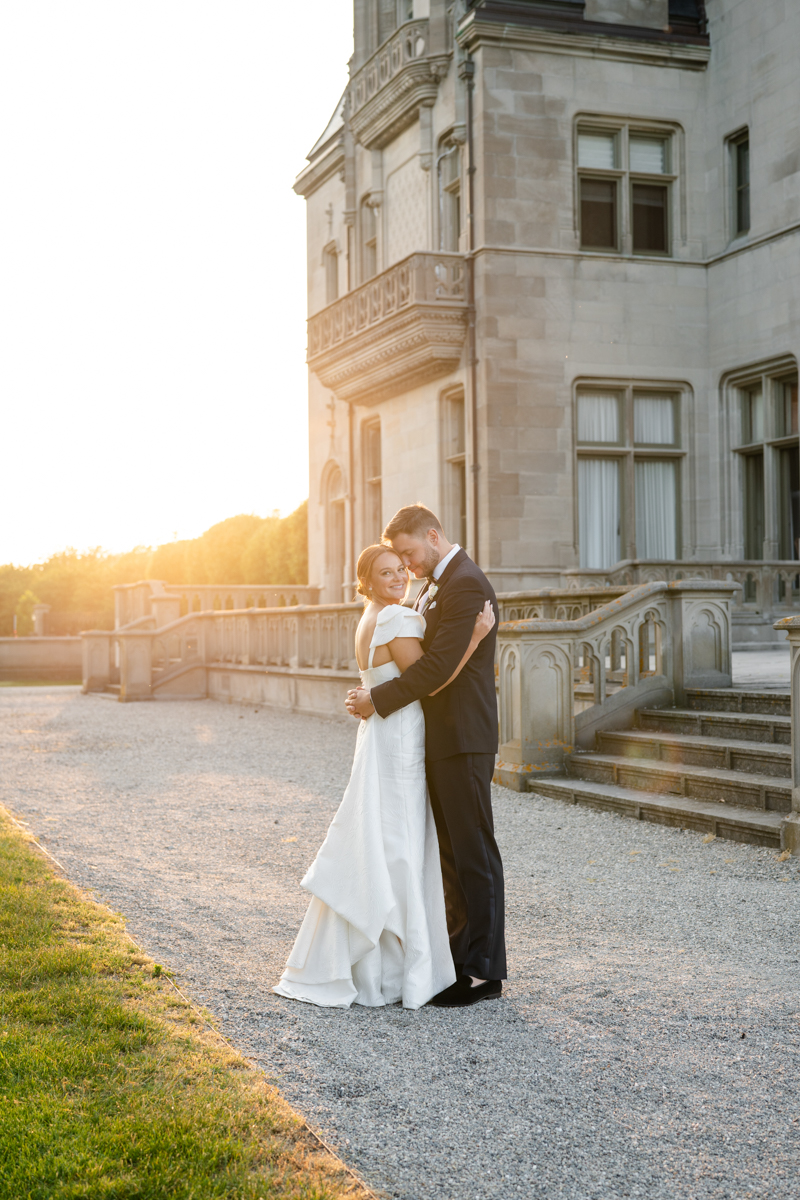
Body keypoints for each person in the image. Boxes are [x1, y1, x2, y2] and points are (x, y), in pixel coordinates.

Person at [273, 542, 494, 1009]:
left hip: (382, 734)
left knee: (383, 834)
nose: (399, 577)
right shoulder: (395, 618)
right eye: (387, 572)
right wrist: (475, 639)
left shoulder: (370, 616)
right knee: (401, 842)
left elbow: (385, 679)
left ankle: (385, 957)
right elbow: (431, 680)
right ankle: (401, 967)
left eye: (401, 569)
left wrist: (371, 697)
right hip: (401, 739)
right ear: (367, 580)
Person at [346, 504, 506, 1008]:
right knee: (451, 855)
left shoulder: (464, 583)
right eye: (399, 560)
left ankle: (484, 972)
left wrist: (378, 700)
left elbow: (437, 668)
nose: (408, 566)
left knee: (473, 850)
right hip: (436, 737)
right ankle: (454, 961)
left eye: (410, 554)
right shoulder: (436, 582)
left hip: (463, 734)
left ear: (433, 536)